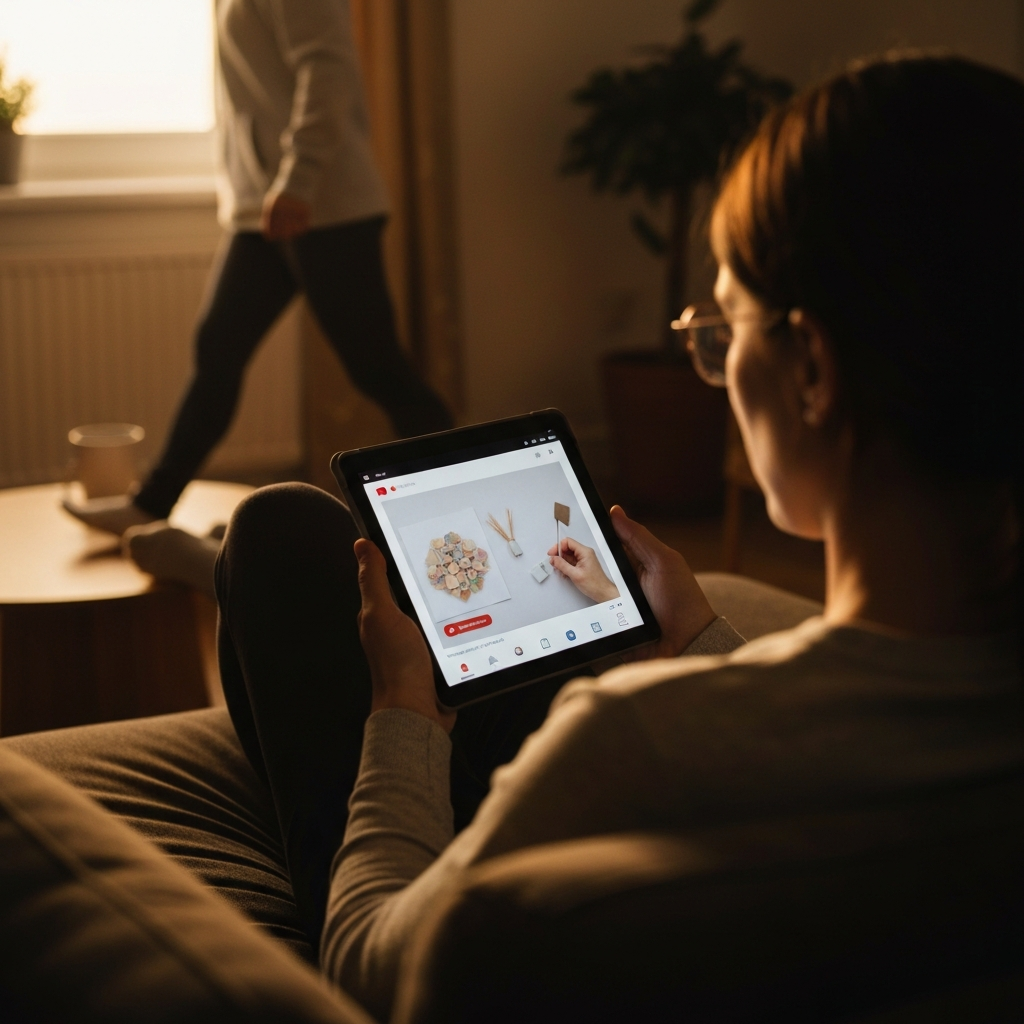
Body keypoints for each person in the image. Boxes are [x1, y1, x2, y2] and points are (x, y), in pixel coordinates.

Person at [212, 53, 1022, 1020]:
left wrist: (402, 710)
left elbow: (376, 969)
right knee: (535, 627)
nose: (712, 368)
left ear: (811, 367)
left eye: (725, 329)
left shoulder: (637, 739)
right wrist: (703, 641)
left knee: (277, 540)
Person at [64, 0, 451, 538]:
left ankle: (461, 493)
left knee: (378, 370)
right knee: (217, 350)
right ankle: (151, 504)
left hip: (321, 205)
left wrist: (298, 178)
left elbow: (329, 67)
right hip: (264, 210)